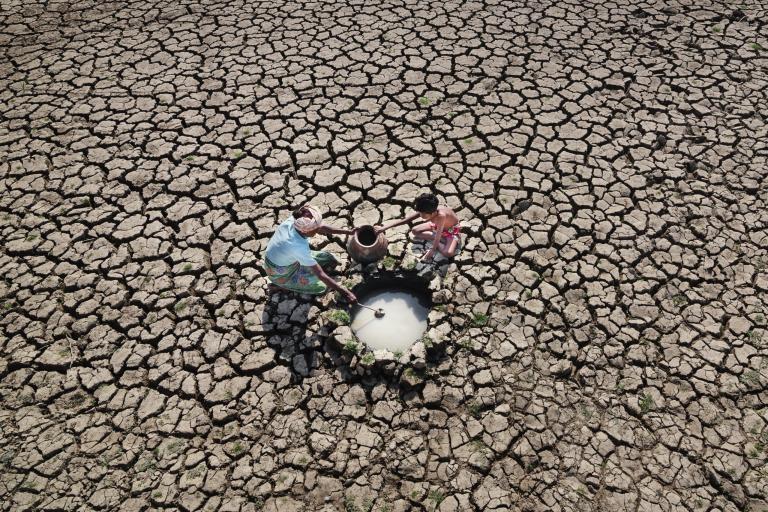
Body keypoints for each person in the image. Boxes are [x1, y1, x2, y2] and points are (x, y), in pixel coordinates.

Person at [264, 205, 357, 302]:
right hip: (280, 272)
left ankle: (297, 272)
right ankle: (280, 286)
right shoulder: (298, 246)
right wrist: (345, 292)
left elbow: (321, 227)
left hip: (287, 258)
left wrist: (349, 232)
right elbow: (320, 274)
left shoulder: (297, 220)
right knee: (322, 287)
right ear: (306, 231)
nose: (318, 230)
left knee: (328, 258)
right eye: (316, 229)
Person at [375, 193, 461, 261]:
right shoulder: (426, 209)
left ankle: (443, 240)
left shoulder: (441, 216)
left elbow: (438, 234)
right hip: (437, 227)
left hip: (450, 230)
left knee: (448, 253)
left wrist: (432, 249)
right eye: (419, 213)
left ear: (431, 213)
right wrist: (384, 228)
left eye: (422, 214)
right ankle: (433, 236)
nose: (420, 215)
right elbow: (406, 220)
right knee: (415, 230)